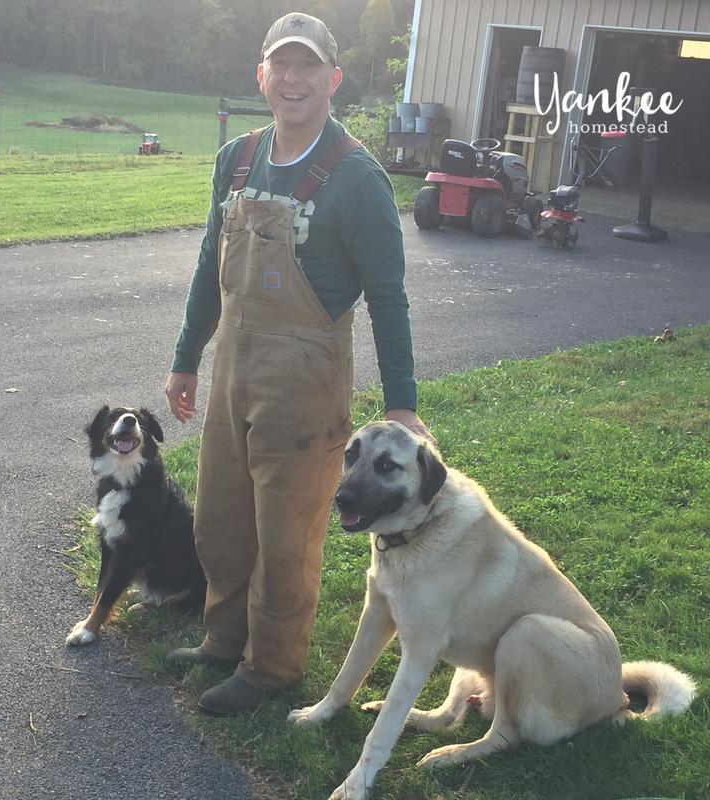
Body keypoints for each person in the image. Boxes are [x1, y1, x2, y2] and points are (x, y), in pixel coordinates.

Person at [163, 11, 433, 717]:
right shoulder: (237, 158)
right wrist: (186, 359)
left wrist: (402, 402)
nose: (292, 79)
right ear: (261, 74)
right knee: (221, 520)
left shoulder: (358, 179)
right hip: (234, 376)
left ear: (332, 78)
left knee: (287, 535)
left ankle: (272, 668)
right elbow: (207, 264)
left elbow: (389, 296)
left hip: (306, 393)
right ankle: (225, 639)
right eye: (279, 65)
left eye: (307, 66)